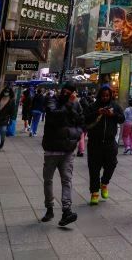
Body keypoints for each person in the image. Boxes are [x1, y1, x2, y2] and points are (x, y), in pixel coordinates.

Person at [40, 82, 83, 227]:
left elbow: (81, 121)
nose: (66, 93)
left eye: (70, 91)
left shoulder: (76, 104)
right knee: (48, 180)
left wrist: (75, 135)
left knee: (67, 180)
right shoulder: (53, 101)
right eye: (65, 90)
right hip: (51, 149)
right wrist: (69, 104)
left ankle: (67, 210)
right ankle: (49, 208)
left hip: (67, 150)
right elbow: (53, 116)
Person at [85, 83, 123, 205]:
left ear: (110, 95)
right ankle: (94, 192)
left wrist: (113, 115)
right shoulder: (93, 106)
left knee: (112, 164)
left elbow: (122, 119)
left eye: (107, 95)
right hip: (94, 143)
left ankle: (104, 183)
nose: (105, 97)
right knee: (94, 168)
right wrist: (97, 112)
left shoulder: (115, 106)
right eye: (103, 95)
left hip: (110, 142)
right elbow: (85, 119)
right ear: (99, 95)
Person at [0, 86, 16, 151]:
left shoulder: (12, 100)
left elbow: (12, 111)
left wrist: (11, 119)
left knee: (3, 131)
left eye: (7, 91)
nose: (6, 92)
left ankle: (2, 140)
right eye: (5, 91)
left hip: (5, 118)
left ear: (10, 92)